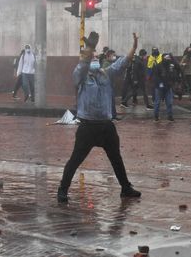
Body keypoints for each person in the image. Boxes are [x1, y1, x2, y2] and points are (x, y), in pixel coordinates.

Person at [57, 32, 141, 203]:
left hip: (106, 127)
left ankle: (126, 188)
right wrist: (89, 48)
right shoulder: (80, 76)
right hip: (87, 127)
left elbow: (123, 62)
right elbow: (82, 67)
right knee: (75, 160)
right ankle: (62, 189)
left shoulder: (106, 73)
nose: (94, 60)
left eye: (95, 58)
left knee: (116, 159)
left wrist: (134, 45)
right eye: (91, 58)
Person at [152, 53, 178, 121]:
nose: (168, 59)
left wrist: (173, 81)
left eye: (169, 58)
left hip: (168, 87)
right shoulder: (158, 66)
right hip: (159, 87)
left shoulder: (171, 66)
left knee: (169, 102)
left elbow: (174, 73)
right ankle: (156, 116)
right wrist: (160, 83)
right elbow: (155, 77)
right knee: (157, 102)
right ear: (163, 58)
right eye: (167, 58)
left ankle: (170, 116)